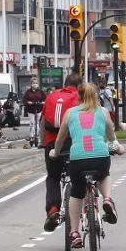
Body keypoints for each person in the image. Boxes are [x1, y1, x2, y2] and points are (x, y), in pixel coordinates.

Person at [49, 82, 124, 249]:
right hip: (100, 157)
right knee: (104, 175)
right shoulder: (103, 112)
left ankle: (74, 232)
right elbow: (112, 139)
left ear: (79, 97)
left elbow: (60, 139)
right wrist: (119, 148)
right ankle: (107, 199)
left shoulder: (70, 113)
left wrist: (55, 152)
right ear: (95, 95)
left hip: (78, 159)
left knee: (76, 192)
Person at [41, 73, 82, 230]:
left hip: (52, 143)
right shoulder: (79, 96)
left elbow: (43, 122)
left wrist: (42, 142)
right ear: (79, 86)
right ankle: (84, 210)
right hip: (73, 142)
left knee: (53, 177)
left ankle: (53, 209)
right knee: (79, 177)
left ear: (65, 84)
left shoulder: (51, 96)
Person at [22, 79, 47, 144]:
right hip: (31, 109)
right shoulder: (28, 92)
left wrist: (42, 102)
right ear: (31, 84)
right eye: (34, 83)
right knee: (32, 122)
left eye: (36, 83)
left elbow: (45, 99)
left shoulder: (40, 91)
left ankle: (37, 135)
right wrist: (28, 102)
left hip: (38, 109)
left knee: (37, 123)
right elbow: (24, 99)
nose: (35, 84)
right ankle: (31, 135)